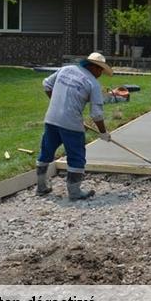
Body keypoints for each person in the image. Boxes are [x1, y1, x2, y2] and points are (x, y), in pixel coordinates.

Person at [36, 52, 113, 200]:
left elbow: (46, 84)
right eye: (101, 71)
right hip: (71, 123)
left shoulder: (66, 69)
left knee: (47, 150)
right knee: (76, 155)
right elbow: (96, 114)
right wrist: (103, 132)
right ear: (95, 68)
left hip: (51, 119)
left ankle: (41, 186)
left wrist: (57, 104)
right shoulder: (92, 83)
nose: (100, 74)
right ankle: (74, 192)